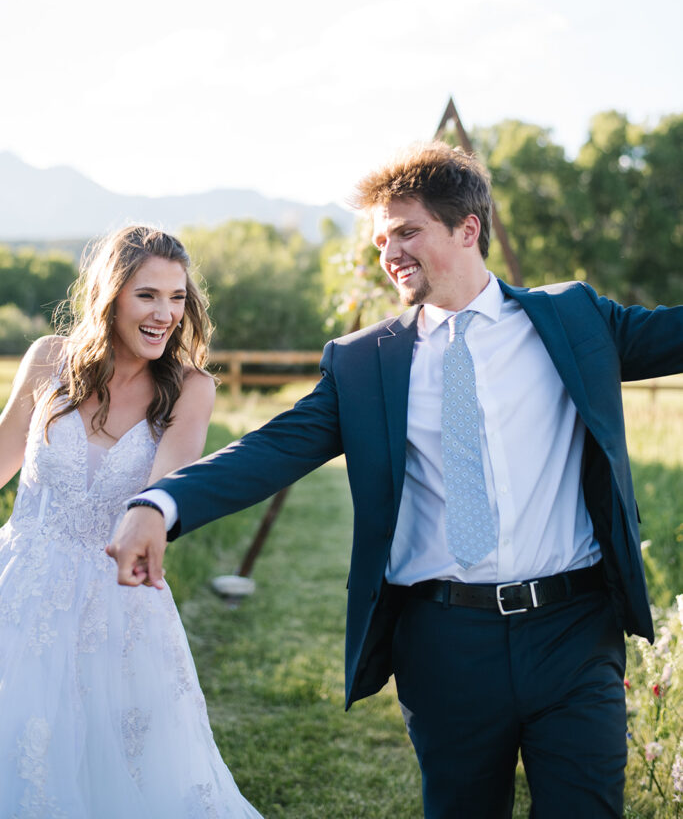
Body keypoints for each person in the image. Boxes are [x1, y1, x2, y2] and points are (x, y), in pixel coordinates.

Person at [109, 144, 683, 819]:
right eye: (381, 239)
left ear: (467, 228)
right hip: (444, 643)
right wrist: (160, 502)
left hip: (573, 632)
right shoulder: (364, 362)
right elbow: (272, 448)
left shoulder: (574, 319)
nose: (389, 252)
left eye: (406, 230)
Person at [0, 225, 262, 819]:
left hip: (120, 602)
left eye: (177, 298)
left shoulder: (190, 388)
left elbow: (169, 484)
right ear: (110, 295)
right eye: (148, 295)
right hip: (20, 592)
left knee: (124, 768)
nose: (165, 313)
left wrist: (147, 520)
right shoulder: (48, 361)